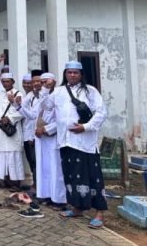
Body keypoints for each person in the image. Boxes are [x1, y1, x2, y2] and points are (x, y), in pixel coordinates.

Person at [49, 61, 108, 229]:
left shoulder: (90, 91)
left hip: (85, 143)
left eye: (75, 72)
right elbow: (46, 106)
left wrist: (85, 127)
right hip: (65, 141)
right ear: (65, 74)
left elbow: (101, 112)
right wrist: (46, 89)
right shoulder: (58, 91)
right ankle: (77, 208)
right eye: (69, 72)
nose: (72, 75)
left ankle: (99, 213)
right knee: (71, 176)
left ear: (81, 74)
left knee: (92, 177)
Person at [34, 72, 66, 209]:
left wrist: (47, 129)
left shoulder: (59, 95)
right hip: (42, 139)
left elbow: (63, 119)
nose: (44, 85)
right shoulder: (42, 96)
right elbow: (38, 113)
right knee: (45, 169)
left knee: (56, 170)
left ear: (54, 82)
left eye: (47, 82)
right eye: (42, 82)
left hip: (53, 137)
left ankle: (59, 199)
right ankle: (47, 195)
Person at [0, 73, 25, 189]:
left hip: (12, 131)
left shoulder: (18, 94)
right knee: (3, 155)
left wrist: (9, 118)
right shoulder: (1, 94)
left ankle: (15, 182)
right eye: (4, 82)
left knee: (13, 156)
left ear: (13, 82)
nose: (5, 84)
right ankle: (5, 180)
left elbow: (22, 112)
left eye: (8, 81)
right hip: (1, 131)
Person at [18, 73, 43, 188]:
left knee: (38, 161)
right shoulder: (30, 96)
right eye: (34, 82)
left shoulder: (46, 96)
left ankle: (39, 186)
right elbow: (28, 114)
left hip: (39, 134)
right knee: (32, 160)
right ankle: (36, 185)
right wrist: (17, 105)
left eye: (39, 81)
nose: (35, 84)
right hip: (28, 133)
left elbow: (36, 117)